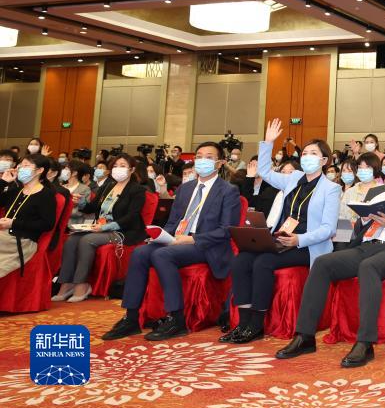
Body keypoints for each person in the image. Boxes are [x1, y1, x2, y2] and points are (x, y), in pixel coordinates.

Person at [276, 143, 385, 367]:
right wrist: (363, 219)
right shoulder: (377, 191)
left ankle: (365, 342)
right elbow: (360, 230)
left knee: (368, 266)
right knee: (322, 263)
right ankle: (305, 336)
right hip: (367, 245)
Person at [101, 142, 241, 341]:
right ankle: (131, 318)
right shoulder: (185, 189)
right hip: (177, 240)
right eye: (199, 156)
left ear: (219, 163)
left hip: (206, 245)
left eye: (209, 157)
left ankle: (176, 319)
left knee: (162, 255)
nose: (202, 160)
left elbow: (227, 230)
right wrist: (161, 236)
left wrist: (192, 239)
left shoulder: (228, 190)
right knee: (141, 252)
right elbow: (173, 222)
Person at [220, 120, 340, 344]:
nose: (307, 157)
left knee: (263, 262)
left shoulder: (331, 188)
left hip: (307, 245)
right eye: (305, 153)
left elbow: (328, 228)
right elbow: (264, 171)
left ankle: (256, 325)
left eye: (313, 154)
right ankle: (243, 323)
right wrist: (268, 142)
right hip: (281, 238)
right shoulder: (293, 178)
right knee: (242, 260)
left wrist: (298, 239)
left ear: (324, 160)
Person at [53, 153, 146, 302]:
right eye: (115, 166)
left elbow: (132, 216)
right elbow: (92, 207)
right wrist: (81, 203)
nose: (118, 169)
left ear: (132, 170)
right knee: (72, 240)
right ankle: (66, 283)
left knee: (87, 240)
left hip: (122, 231)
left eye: (122, 166)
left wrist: (106, 227)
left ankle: (81, 284)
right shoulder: (108, 186)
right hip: (100, 228)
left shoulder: (137, 190)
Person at [0, 153, 57, 278]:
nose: (21, 169)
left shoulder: (46, 194)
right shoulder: (16, 190)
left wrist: (13, 223)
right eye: (20, 166)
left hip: (23, 241)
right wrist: (3, 182)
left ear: (40, 170)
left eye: (26, 166)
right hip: (4, 236)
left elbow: (47, 224)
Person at [338, 152, 384, 223]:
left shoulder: (382, 190)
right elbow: (341, 215)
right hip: (351, 229)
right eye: (360, 167)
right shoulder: (350, 192)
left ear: (375, 168)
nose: (363, 170)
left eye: (367, 167)